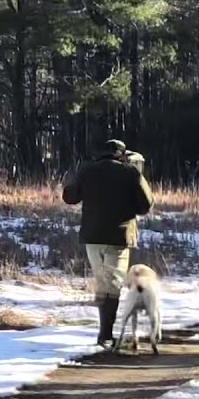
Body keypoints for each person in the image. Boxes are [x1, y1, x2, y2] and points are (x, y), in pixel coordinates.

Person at [63, 139, 154, 347]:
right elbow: (146, 205)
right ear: (121, 154)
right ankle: (106, 334)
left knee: (102, 283)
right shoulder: (130, 173)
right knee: (113, 286)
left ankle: (104, 333)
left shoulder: (87, 170)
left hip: (92, 237)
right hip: (118, 237)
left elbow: (69, 196)